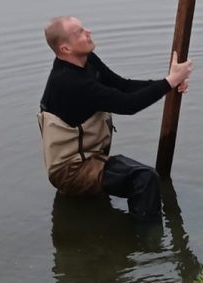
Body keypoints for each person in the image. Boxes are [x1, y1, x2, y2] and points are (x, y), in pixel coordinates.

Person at [38, 16, 192, 220]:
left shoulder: (87, 61)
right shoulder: (69, 82)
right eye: (80, 32)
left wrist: (168, 83)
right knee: (144, 179)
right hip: (71, 171)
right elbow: (128, 104)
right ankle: (148, 238)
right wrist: (170, 82)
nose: (88, 32)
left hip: (88, 157)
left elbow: (122, 86)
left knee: (137, 176)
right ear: (65, 49)